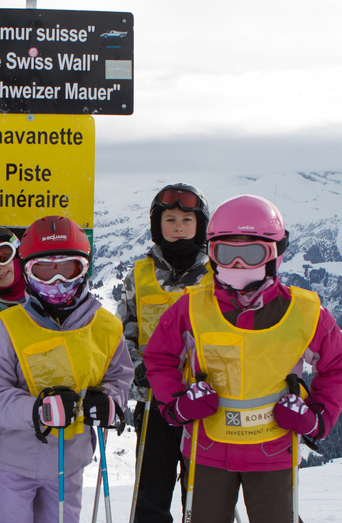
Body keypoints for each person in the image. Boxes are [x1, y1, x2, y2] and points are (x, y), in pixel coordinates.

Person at [144, 195, 342, 523]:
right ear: (212, 254)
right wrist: (177, 404)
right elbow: (159, 355)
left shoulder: (304, 312)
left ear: (275, 254)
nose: (238, 265)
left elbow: (338, 363)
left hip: (272, 449)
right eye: (227, 254)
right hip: (208, 449)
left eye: (252, 254)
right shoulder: (192, 307)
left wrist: (316, 417)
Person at [0, 215, 134, 523]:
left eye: (68, 268)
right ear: (28, 272)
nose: (58, 282)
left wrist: (110, 401)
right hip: (12, 461)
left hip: (70, 461)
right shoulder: (6, 328)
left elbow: (118, 377)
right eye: (45, 270)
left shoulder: (104, 327)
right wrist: (36, 410)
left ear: (85, 268)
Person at [116, 183, 213, 522]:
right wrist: (139, 368)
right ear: (158, 225)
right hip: (154, 400)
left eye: (187, 220)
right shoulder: (140, 276)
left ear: (200, 225)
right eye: (170, 220)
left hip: (205, 401)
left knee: (203, 494)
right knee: (150, 495)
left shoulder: (217, 276)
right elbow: (123, 333)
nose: (178, 228)